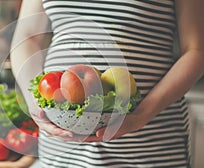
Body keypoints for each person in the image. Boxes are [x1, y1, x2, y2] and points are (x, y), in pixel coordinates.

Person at [10, 0, 204, 167]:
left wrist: (141, 116)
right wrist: (36, 104)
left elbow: (196, 51)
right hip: (64, 144)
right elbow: (27, 38)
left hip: (148, 141)